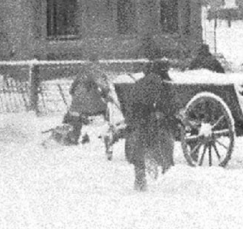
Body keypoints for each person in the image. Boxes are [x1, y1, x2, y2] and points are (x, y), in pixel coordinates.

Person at [123, 58, 178, 191]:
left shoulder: (140, 82)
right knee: (161, 144)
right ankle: (160, 171)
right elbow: (168, 106)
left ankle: (140, 179)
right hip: (151, 122)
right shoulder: (162, 83)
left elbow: (132, 103)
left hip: (135, 122)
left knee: (139, 149)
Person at [59, 59, 113, 145]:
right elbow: (104, 87)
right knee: (105, 108)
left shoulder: (80, 74)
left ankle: (70, 131)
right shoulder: (97, 73)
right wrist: (104, 94)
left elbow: (71, 90)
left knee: (73, 114)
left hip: (75, 105)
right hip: (91, 105)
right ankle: (107, 130)